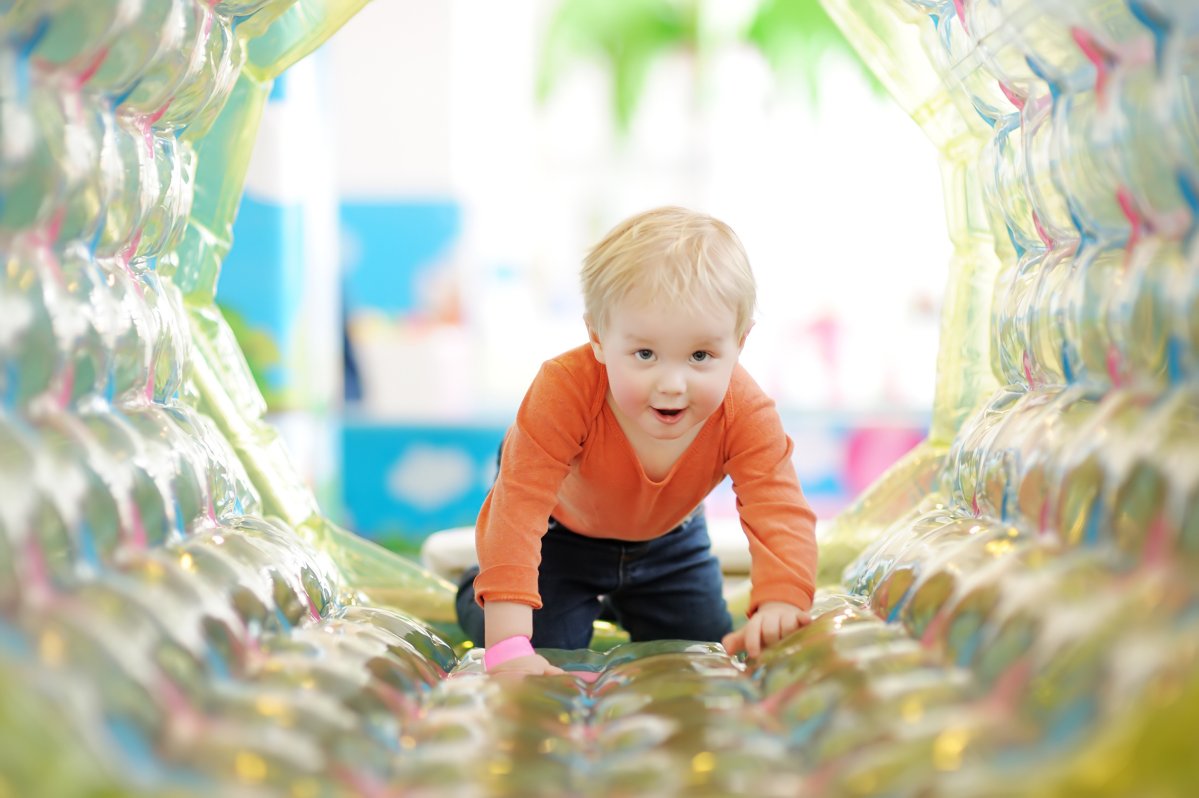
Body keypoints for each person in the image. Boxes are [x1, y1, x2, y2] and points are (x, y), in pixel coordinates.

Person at [456, 206, 819, 677]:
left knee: (698, 647)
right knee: (549, 646)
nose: (672, 383)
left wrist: (780, 602)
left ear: (740, 343)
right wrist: (508, 646)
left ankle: (619, 602)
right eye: (645, 353)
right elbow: (518, 505)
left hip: (671, 541)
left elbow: (778, 507)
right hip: (562, 536)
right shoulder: (565, 389)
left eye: (701, 355)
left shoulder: (745, 411)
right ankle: (478, 587)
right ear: (599, 338)